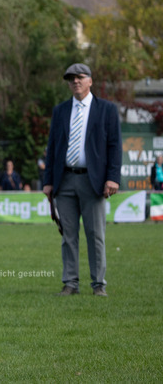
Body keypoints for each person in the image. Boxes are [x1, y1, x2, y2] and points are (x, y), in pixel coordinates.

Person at [43, 63, 121, 297]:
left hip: (93, 181)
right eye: (71, 78)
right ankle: (70, 283)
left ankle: (98, 285)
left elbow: (115, 146)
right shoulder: (61, 111)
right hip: (64, 180)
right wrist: (48, 181)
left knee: (95, 234)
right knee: (68, 234)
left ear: (90, 81)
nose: (75, 81)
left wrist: (112, 178)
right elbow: (52, 147)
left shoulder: (107, 109)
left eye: (80, 77)